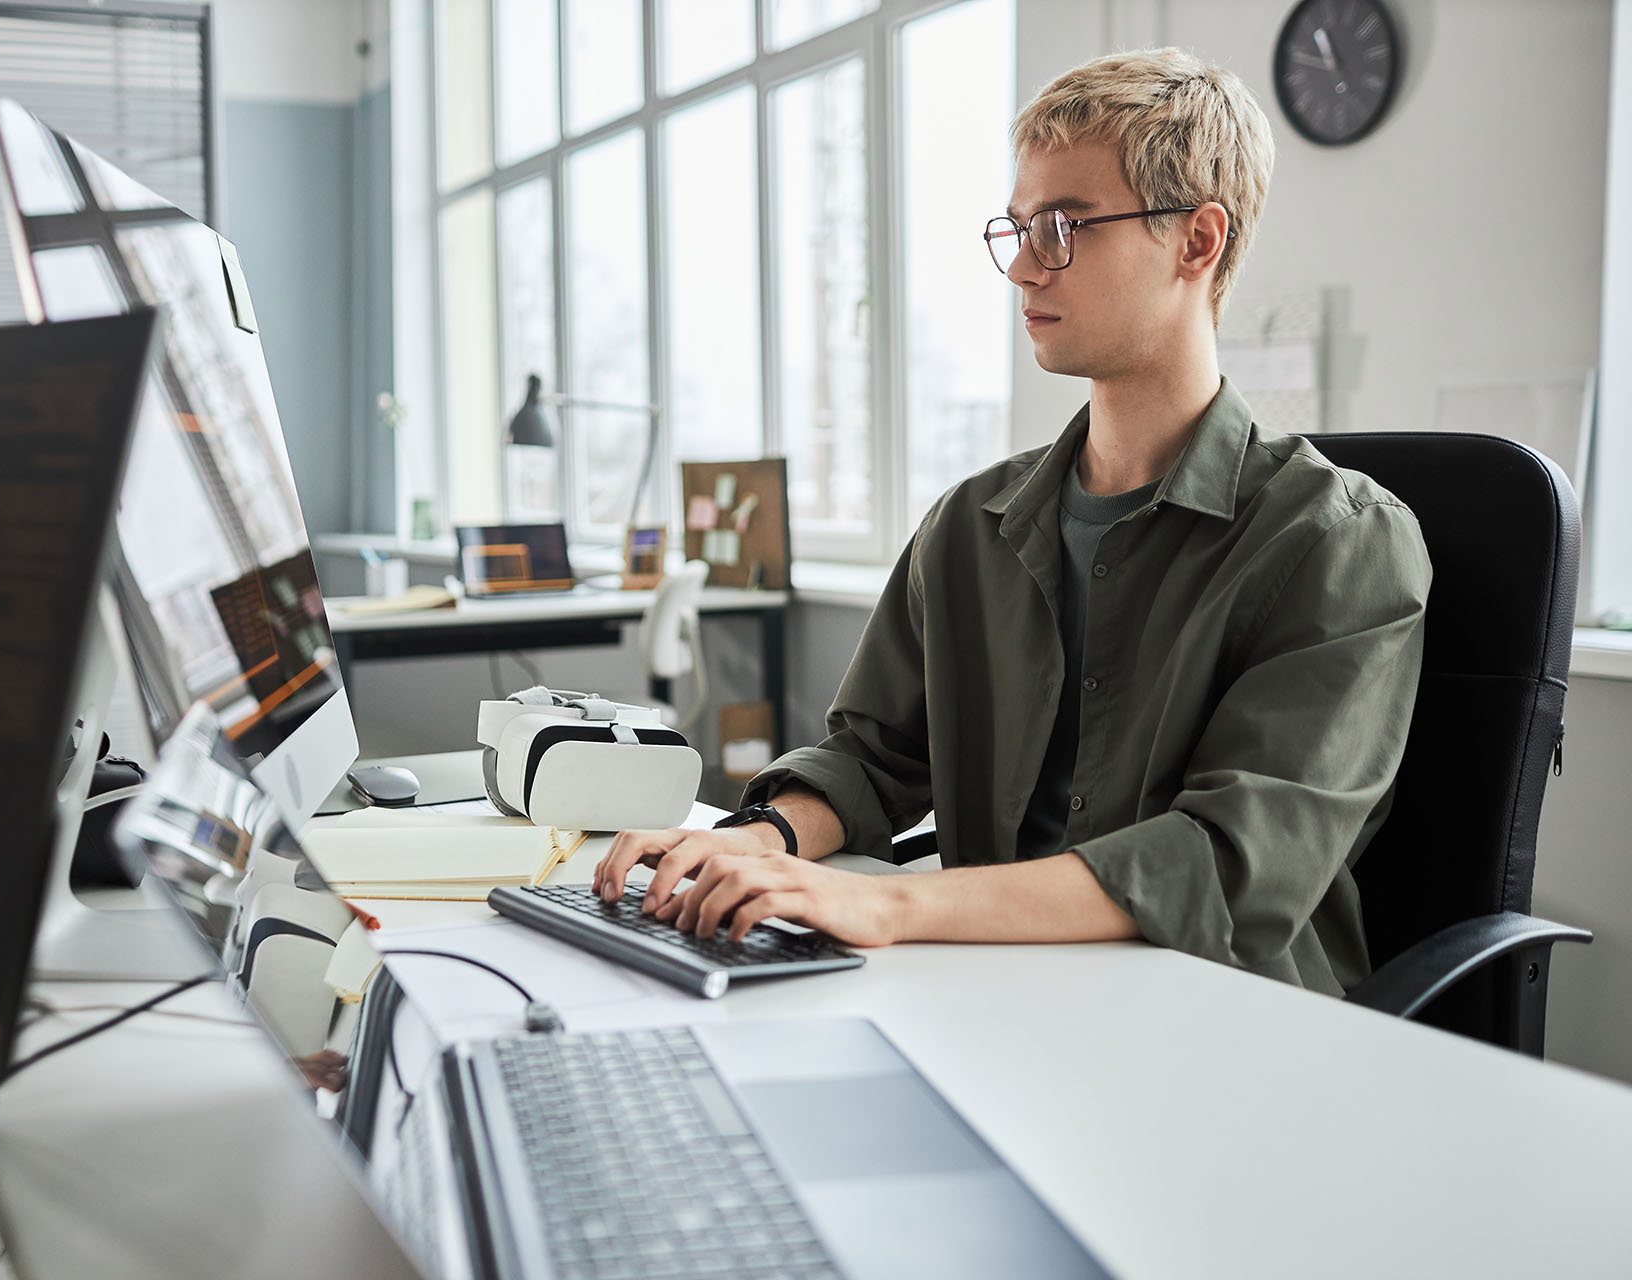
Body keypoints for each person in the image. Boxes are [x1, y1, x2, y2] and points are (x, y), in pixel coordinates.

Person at [592, 48, 1431, 994]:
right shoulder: (969, 526)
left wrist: (887, 907)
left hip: (1218, 1024)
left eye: (1067, 226)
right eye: (1021, 227)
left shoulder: (1340, 540)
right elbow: (872, 758)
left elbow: (1228, 868)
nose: (1026, 266)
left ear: (1198, 242)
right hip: (991, 990)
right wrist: (759, 843)